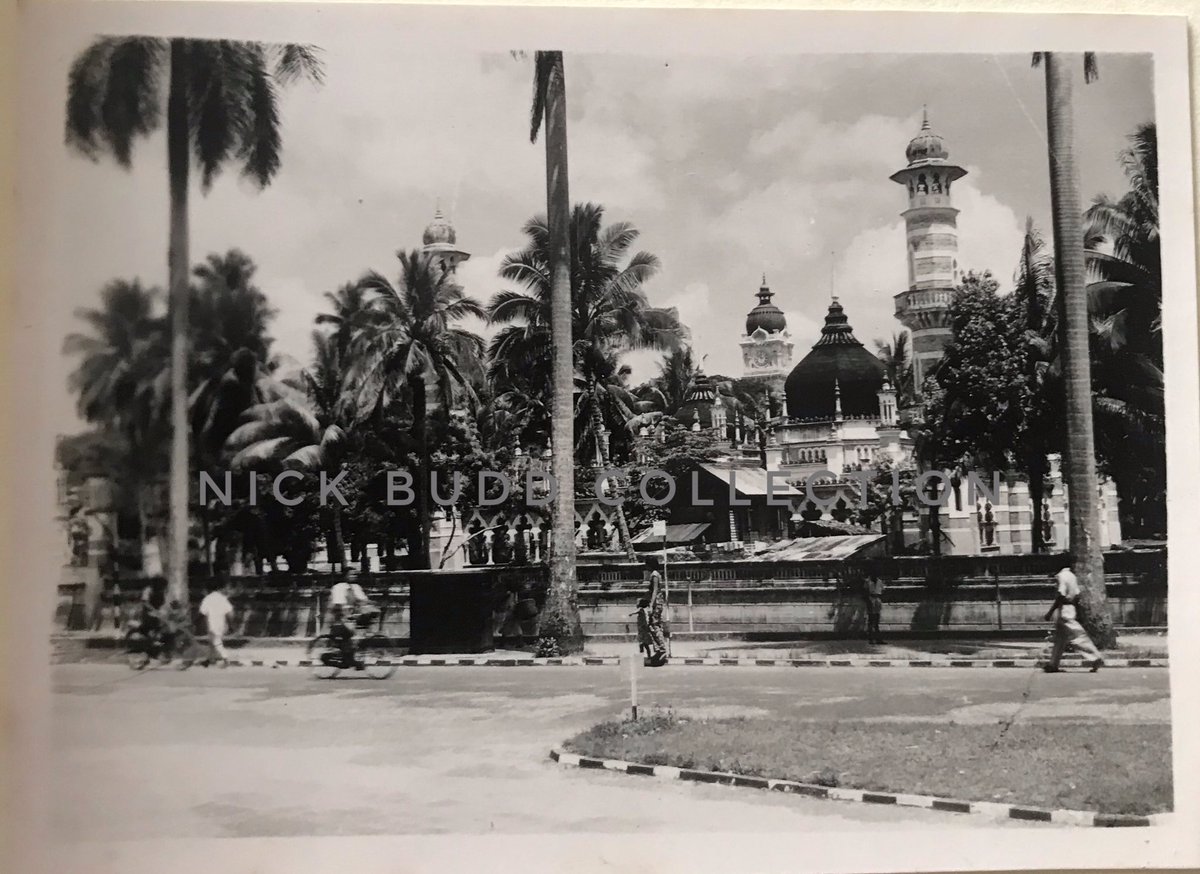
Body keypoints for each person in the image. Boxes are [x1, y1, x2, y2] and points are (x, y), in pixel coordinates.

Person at [1043, 563, 1105, 672]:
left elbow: (1061, 595)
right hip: (1071, 608)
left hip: (1065, 610)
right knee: (1060, 639)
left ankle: (1095, 657)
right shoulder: (1071, 576)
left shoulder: (1061, 576)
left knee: (1077, 636)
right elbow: (1076, 595)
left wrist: (1050, 612)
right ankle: (1053, 664)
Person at [198, 580, 235, 667]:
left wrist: (197, 623)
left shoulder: (207, 599)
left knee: (216, 642)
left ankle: (225, 658)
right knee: (212, 642)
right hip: (222, 623)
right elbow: (230, 612)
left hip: (212, 624)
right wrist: (231, 625)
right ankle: (209, 660)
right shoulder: (222, 598)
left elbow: (202, 612)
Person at [645, 562, 668, 666]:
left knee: (654, 625)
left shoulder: (654, 574)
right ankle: (659, 650)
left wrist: (651, 604)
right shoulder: (657, 574)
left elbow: (654, 590)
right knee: (655, 625)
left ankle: (662, 649)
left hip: (656, 603)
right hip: (659, 603)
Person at [864, 574, 886, 645]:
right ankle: (871, 638)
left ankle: (877, 638)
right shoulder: (867, 581)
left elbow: (882, 590)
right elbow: (866, 591)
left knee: (876, 620)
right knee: (871, 620)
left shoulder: (880, 581)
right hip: (871, 599)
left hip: (877, 600)